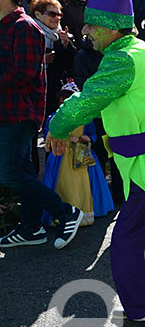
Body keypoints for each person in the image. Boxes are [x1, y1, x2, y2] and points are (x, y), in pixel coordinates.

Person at [47, 0, 145, 327]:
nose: (84, 31)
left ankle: (141, 315)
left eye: (91, 25)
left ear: (112, 27)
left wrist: (57, 125)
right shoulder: (133, 48)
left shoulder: (122, 57)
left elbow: (88, 100)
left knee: (128, 238)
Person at [0, 0, 84, 249]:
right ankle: (30, 228)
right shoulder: (8, 25)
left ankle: (65, 211)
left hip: (18, 113)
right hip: (9, 112)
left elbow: (22, 73)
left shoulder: (23, 26)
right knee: (21, 171)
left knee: (9, 173)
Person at [41, 81, 114, 227]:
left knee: (84, 183)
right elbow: (47, 137)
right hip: (61, 155)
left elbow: (92, 134)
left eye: (68, 97)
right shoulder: (54, 117)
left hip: (82, 153)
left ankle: (86, 211)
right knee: (64, 184)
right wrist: (66, 138)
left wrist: (87, 138)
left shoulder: (86, 118)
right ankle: (63, 213)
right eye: (62, 98)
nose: (64, 101)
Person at [31, 0, 76, 119]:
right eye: (52, 14)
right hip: (37, 91)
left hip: (56, 89)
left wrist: (66, 44)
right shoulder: (30, 32)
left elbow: (70, 62)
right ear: (38, 14)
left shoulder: (62, 34)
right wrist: (41, 60)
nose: (57, 18)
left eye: (59, 15)